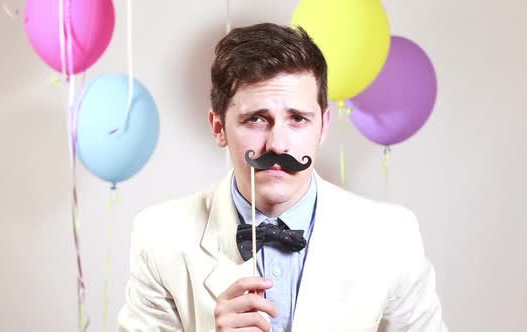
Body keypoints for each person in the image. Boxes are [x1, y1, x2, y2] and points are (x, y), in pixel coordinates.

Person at [117, 22, 448, 332]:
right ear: (219, 127)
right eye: (256, 119)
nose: (276, 143)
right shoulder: (159, 238)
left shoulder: (392, 238)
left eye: (298, 119)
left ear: (323, 126)